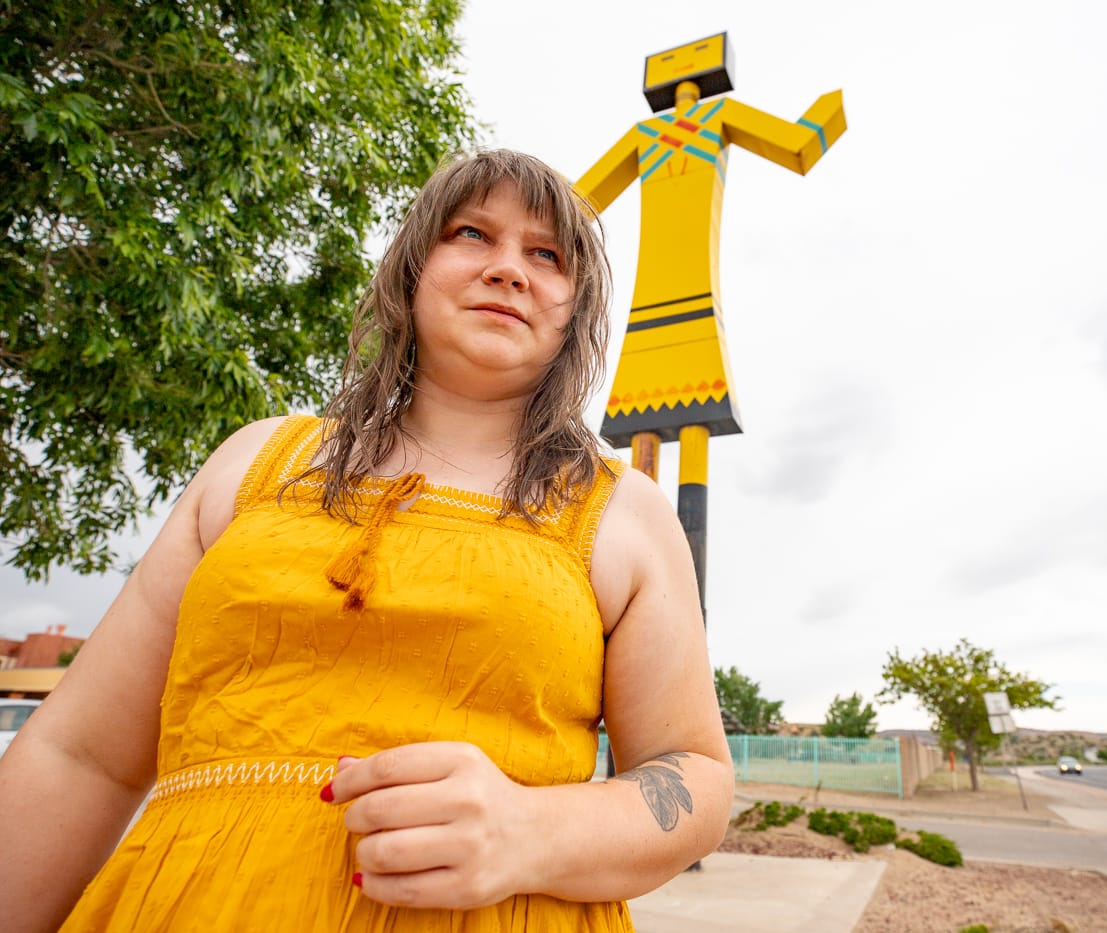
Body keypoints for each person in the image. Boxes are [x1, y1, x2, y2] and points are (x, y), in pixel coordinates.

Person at [0, 149, 734, 932]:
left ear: (575, 309)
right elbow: (81, 756)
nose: (509, 270)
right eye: (472, 234)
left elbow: (695, 775)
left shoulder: (625, 510)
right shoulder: (254, 463)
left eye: (546, 255)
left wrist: (534, 832)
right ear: (412, 269)